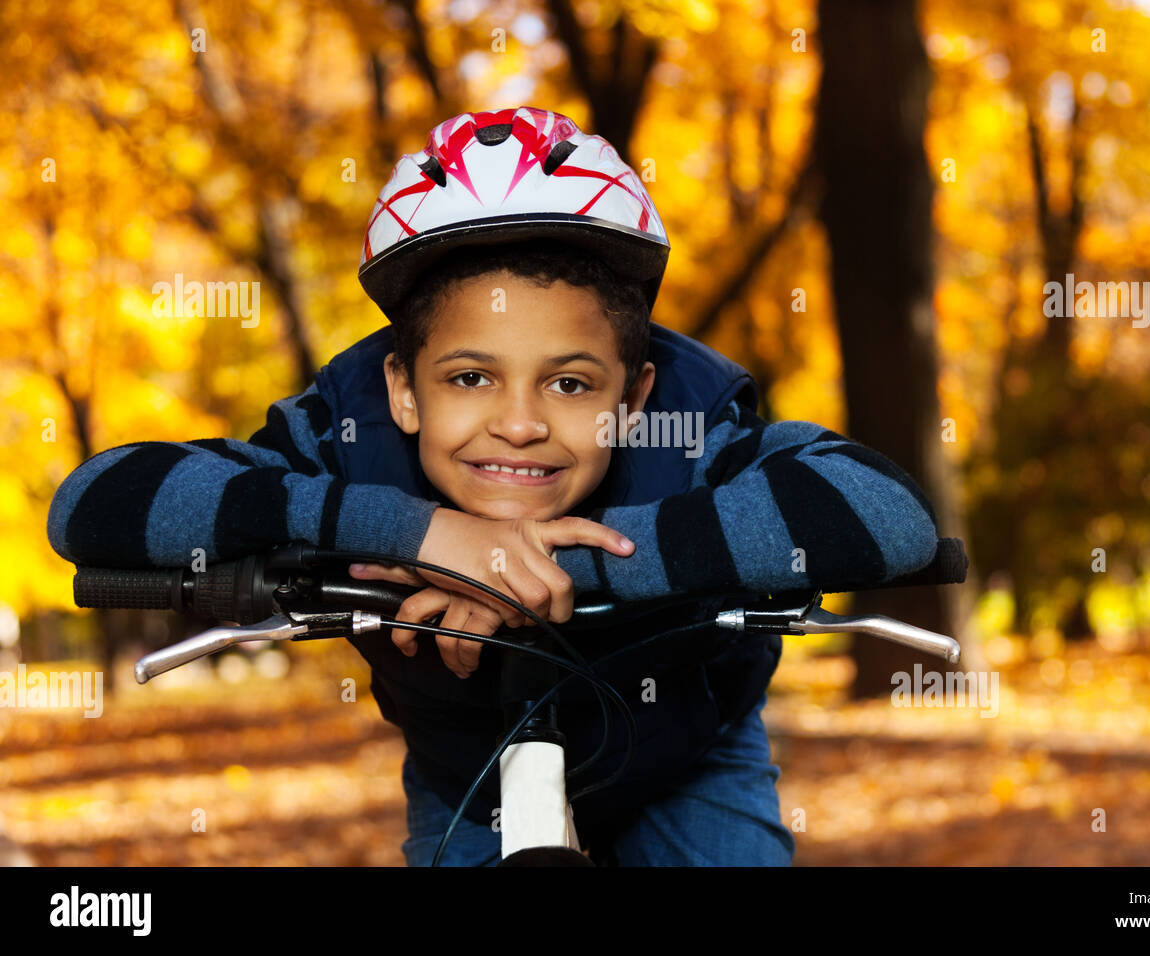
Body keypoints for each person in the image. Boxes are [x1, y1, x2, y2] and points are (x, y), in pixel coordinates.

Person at [47, 106, 939, 866]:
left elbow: (889, 514)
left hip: (686, 751)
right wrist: (415, 534)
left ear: (634, 397)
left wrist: (554, 574)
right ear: (401, 387)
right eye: (470, 378)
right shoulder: (344, 429)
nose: (519, 423)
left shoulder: (694, 423)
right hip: (469, 759)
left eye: (572, 384)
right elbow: (90, 503)